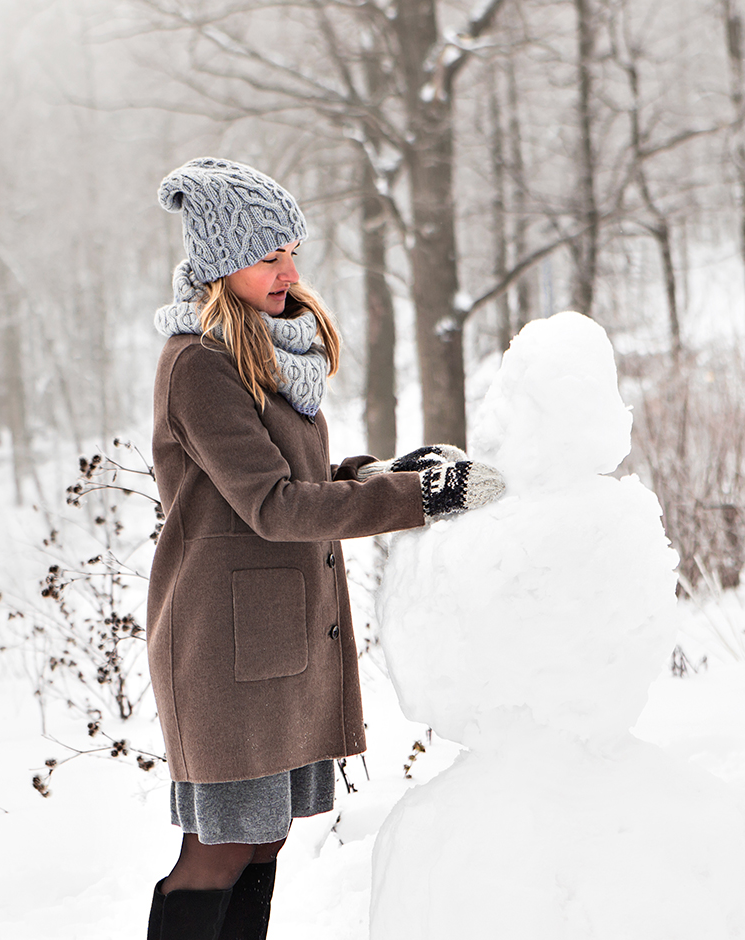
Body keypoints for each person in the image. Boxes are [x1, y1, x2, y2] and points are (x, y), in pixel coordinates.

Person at [145, 157, 504, 940]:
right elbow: (275, 507)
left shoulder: (264, 351)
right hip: (224, 644)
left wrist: (376, 473)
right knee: (220, 847)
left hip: (271, 640)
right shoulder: (200, 366)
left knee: (261, 839)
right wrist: (427, 501)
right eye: (270, 256)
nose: (290, 271)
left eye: (291, 251)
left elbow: (288, 476)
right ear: (221, 262)